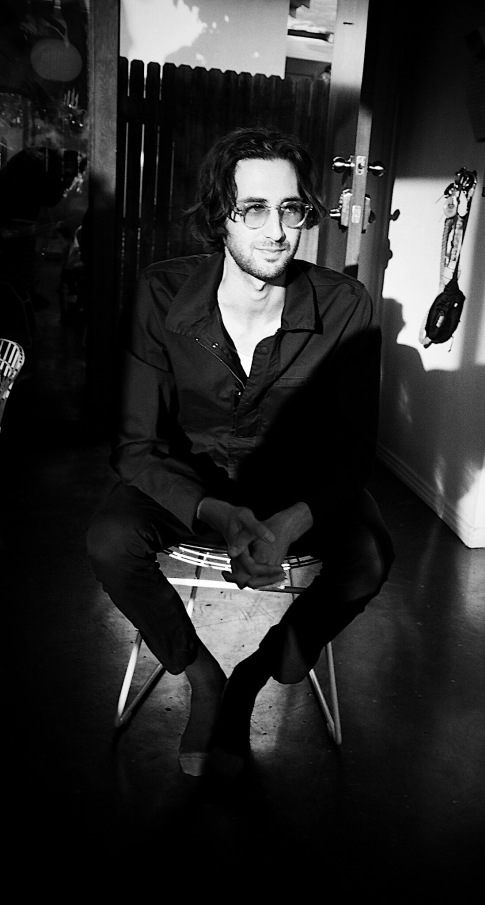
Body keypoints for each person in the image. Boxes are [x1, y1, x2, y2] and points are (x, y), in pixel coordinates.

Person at [87, 126, 394, 778]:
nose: (276, 231)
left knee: (367, 557)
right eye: (253, 209)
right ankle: (203, 676)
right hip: (191, 482)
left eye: (291, 209)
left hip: (295, 484)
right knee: (111, 539)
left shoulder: (344, 305)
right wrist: (219, 514)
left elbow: (352, 455)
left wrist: (289, 523)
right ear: (218, 216)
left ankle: (257, 673)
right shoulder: (161, 294)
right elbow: (137, 446)